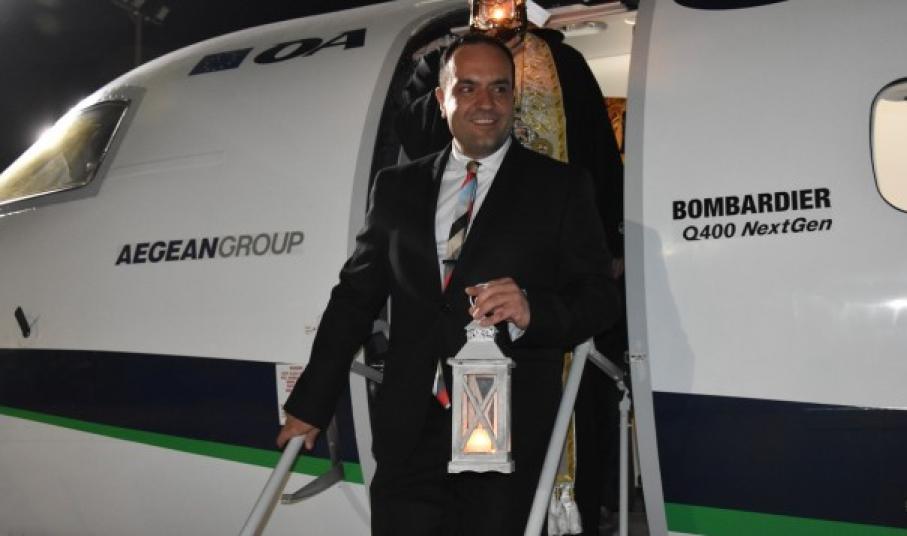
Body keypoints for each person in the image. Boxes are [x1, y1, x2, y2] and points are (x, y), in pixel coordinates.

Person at [276, 33, 620, 535]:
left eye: (500, 89)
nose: (486, 103)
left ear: (514, 99)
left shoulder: (561, 187)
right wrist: (310, 405)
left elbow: (600, 298)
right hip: (409, 431)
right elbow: (354, 299)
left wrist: (532, 310)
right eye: (468, 88)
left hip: (505, 435)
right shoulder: (396, 187)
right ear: (441, 99)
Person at [394, 4, 627, 533]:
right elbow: (415, 132)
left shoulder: (563, 63)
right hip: (461, 298)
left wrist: (608, 244)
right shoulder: (438, 64)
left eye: (499, 88)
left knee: (541, 437)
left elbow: (596, 157)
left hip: (549, 280)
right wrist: (447, 65)